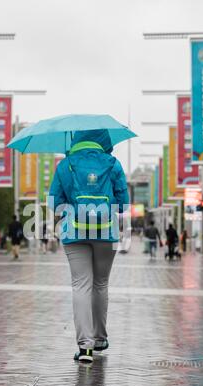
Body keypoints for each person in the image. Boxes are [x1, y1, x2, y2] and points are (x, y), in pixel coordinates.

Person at [49, 129, 129, 363]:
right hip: (106, 233)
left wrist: (71, 209)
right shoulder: (113, 164)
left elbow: (54, 202)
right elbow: (123, 205)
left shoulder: (66, 165)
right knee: (100, 284)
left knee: (81, 285)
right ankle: (100, 338)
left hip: (74, 233)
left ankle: (85, 347)